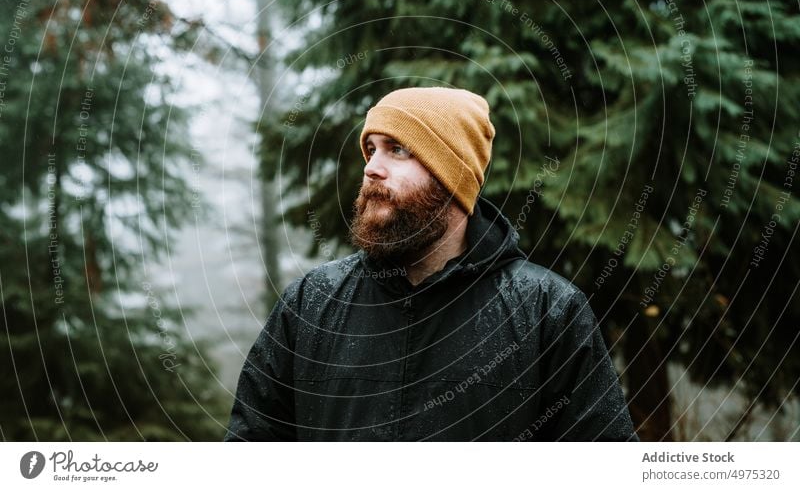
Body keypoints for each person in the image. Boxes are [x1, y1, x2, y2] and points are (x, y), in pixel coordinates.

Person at [225, 86, 638, 441]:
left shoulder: (547, 311)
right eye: (371, 149)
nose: (371, 168)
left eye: (398, 150)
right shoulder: (310, 304)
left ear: (452, 178)